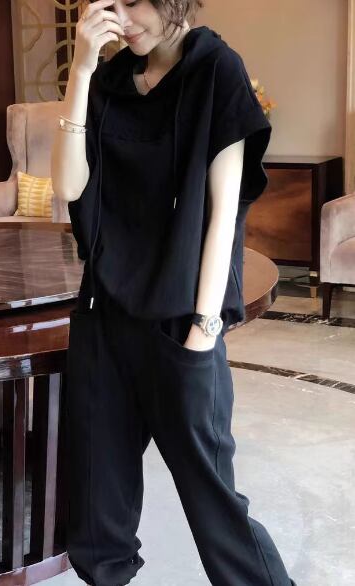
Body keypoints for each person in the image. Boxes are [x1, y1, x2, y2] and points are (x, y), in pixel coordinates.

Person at [51, 1, 297, 585]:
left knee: (214, 504)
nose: (122, 18)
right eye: (110, 3)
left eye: (134, 2)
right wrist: (81, 70)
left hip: (180, 322)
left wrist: (203, 331)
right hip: (103, 316)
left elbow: (223, 214)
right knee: (97, 509)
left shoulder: (216, 69)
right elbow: (69, 186)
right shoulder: (109, 79)